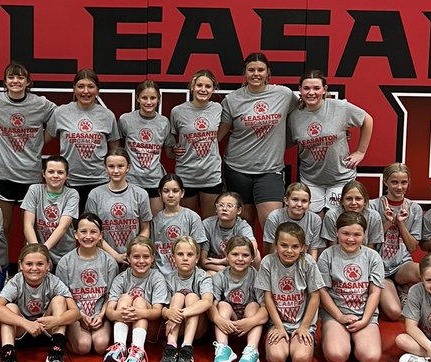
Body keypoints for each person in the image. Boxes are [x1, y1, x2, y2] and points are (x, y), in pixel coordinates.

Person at [0, 61, 57, 238]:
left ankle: (30, 258)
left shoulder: (41, 104)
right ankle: (1, 258)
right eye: (11, 77)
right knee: (2, 227)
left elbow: (59, 118)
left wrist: (39, 142)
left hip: (31, 174)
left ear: (28, 82)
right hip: (4, 174)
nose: (15, 81)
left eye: (20, 77)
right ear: (5, 81)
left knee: (31, 229)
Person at [217, 53, 298, 230]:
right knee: (244, 222)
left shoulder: (284, 94)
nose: (256, 74)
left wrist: (334, 129)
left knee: (272, 222)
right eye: (251, 70)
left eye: (260, 70)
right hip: (237, 168)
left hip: (270, 169)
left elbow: (306, 111)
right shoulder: (232, 99)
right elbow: (219, 134)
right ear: (244, 73)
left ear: (268, 73)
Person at [289, 69, 373, 212]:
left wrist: (360, 152)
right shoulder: (294, 116)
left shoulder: (339, 107)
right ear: (300, 90)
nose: (311, 92)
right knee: (314, 219)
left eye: (316, 88)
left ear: (324, 89)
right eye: (306, 88)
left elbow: (367, 120)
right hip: (311, 179)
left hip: (341, 177)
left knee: (337, 220)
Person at [0, 244, 79, 362]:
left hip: (47, 329)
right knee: (9, 308)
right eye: (29, 264)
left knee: (59, 300)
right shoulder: (16, 282)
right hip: (22, 331)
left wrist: (57, 319)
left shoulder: (53, 281)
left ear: (48, 265)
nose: (34, 268)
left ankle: (56, 353)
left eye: (40, 264)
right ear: (20, 265)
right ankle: (8, 358)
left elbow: (75, 312)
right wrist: (26, 323)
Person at [317, 211, 384, 362]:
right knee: (336, 356)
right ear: (336, 232)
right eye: (345, 233)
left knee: (371, 358)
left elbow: (375, 293)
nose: (350, 239)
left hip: (363, 314)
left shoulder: (373, 257)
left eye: (356, 234)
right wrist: (340, 317)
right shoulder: (327, 255)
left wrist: (365, 320)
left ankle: (357, 341)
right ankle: (336, 338)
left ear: (364, 234)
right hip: (336, 314)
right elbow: (322, 291)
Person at [47, 69, 121, 209]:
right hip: (69, 181)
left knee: (96, 221)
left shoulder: (107, 115)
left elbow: (115, 151)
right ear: (74, 89)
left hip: (100, 181)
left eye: (91, 86)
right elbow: (42, 141)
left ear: (97, 90)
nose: (85, 91)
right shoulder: (60, 113)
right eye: (80, 86)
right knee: (70, 222)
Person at [258, 221, 323, 362]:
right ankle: (275, 339)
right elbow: (267, 297)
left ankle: (304, 341)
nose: (289, 251)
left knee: (300, 360)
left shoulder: (308, 262)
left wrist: (305, 326)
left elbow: (315, 296)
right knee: (277, 359)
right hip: (277, 321)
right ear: (276, 245)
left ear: (303, 247)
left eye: (295, 246)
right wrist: (278, 326)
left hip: (301, 322)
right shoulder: (268, 262)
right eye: (284, 245)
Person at [57, 213, 119, 358]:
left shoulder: (110, 262)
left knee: (101, 345)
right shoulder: (65, 262)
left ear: (100, 235)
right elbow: (64, 298)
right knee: (83, 346)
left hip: (100, 315)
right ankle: (67, 342)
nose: (88, 236)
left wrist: (102, 315)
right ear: (75, 234)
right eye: (83, 231)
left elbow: (111, 296)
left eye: (93, 232)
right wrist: (79, 316)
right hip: (76, 314)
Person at [105, 236, 170, 362]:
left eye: (145, 257)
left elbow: (158, 311)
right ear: (128, 258)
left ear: (152, 258)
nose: (141, 261)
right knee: (125, 298)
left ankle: (138, 351)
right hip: (125, 326)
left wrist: (139, 312)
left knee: (139, 300)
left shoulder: (157, 278)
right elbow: (109, 311)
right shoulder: (121, 278)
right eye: (136, 257)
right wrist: (120, 314)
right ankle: (120, 347)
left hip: (149, 331)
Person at [169, 69, 224, 219]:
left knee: (210, 222)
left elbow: (224, 128)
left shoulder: (218, 108)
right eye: (199, 85)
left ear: (213, 89)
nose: (203, 89)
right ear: (192, 87)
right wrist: (173, 148)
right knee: (186, 222)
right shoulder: (177, 111)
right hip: (186, 174)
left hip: (211, 174)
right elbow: (171, 137)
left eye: (208, 86)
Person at [372, 162, 422, 321]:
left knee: (428, 271)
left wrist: (400, 224)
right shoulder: (373, 206)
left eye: (404, 182)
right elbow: (368, 244)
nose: (399, 187)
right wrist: (388, 223)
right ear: (385, 182)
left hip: (402, 265)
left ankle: (406, 289)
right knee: (394, 313)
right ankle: (396, 291)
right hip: (379, 267)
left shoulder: (414, 208)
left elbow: (412, 247)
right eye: (394, 182)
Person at [210, 235, 266, 362]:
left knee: (254, 305)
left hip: (249, 321)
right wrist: (218, 319)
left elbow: (266, 308)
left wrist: (251, 321)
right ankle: (223, 348)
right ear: (226, 256)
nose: (240, 259)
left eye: (245, 255)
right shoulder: (219, 277)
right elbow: (210, 304)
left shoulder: (257, 277)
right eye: (235, 254)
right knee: (222, 305)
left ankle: (251, 350)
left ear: (252, 258)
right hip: (229, 322)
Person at [86, 149, 152, 265]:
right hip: (104, 257)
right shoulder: (95, 195)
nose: (116, 171)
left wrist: (132, 253)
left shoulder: (141, 194)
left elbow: (145, 228)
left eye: (120, 166)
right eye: (111, 166)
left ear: (128, 167)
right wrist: (115, 256)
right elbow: (93, 233)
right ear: (105, 168)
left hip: (134, 258)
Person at [159, 237, 214, 362]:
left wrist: (180, 314)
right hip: (175, 328)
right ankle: (171, 347)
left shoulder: (203, 277)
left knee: (192, 297)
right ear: (173, 258)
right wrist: (168, 312)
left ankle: (187, 348)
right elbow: (161, 308)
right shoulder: (168, 278)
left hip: (197, 329)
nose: (185, 258)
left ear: (197, 258)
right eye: (180, 254)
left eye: (189, 254)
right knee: (178, 296)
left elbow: (207, 301)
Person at [118, 79, 172, 214]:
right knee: (131, 221)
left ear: (158, 99)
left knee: (155, 222)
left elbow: (169, 152)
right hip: (131, 180)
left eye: (153, 98)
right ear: (137, 98)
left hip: (154, 181)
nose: (148, 102)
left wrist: (178, 150)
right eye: (144, 98)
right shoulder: (125, 120)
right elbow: (118, 149)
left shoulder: (164, 122)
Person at [21, 155, 80, 265]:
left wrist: (43, 251)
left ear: (67, 175)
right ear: (44, 173)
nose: (55, 176)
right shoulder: (34, 190)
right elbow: (28, 224)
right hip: (37, 252)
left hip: (64, 254)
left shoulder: (72, 194)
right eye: (51, 172)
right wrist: (37, 252)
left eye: (60, 172)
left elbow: (63, 226)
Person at [150, 172, 208, 274]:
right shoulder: (155, 220)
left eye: (175, 191)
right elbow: (152, 251)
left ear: (182, 193)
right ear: (160, 193)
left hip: (187, 273)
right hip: (160, 274)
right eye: (166, 191)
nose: (171, 195)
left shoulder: (192, 217)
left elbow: (197, 250)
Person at [263, 181, 325, 259]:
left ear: (309, 204)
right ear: (286, 200)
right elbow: (272, 250)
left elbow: (313, 250)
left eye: (304, 201)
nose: (299, 204)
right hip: (280, 260)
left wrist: (311, 266)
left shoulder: (315, 220)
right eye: (295, 200)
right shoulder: (274, 217)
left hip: (303, 261)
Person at [202, 190, 259, 272]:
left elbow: (253, 248)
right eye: (221, 205)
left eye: (230, 206)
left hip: (237, 262)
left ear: (239, 210)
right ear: (216, 208)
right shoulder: (207, 224)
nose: (224, 209)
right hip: (215, 265)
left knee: (257, 255)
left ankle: (255, 278)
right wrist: (224, 270)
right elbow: (203, 260)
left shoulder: (242, 226)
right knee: (210, 274)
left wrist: (224, 261)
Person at [322, 181, 384, 250]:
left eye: (358, 199)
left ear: (365, 201)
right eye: (349, 199)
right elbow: (332, 247)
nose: (353, 203)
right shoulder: (332, 216)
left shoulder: (374, 217)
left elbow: (371, 246)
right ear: (342, 201)